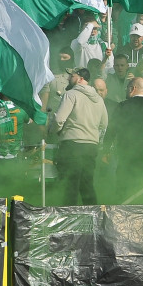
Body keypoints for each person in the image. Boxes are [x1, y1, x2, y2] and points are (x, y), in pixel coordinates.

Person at [49, 67, 108, 205]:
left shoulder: (71, 94)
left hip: (72, 145)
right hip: (91, 146)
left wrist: (54, 131)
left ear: (80, 78)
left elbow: (59, 120)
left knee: (70, 186)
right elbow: (104, 123)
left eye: (72, 75)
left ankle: (69, 217)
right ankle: (94, 215)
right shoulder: (99, 99)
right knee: (87, 185)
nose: (68, 78)